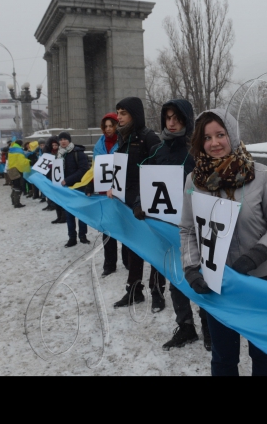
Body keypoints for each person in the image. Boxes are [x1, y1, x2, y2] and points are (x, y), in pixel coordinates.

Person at [181, 109, 267, 377]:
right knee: (223, 355)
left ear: (232, 135)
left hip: (261, 278)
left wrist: (258, 253)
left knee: (263, 352)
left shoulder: (261, 175)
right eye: (207, 137)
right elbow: (187, 230)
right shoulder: (193, 181)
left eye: (220, 135)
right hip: (217, 283)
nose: (214, 143)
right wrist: (191, 267)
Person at [141, 99, 211, 351]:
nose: (171, 122)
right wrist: (141, 203)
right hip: (167, 227)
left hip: (194, 226)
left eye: (176, 117)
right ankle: (185, 327)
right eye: (167, 117)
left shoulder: (197, 150)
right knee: (174, 276)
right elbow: (150, 186)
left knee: (200, 277)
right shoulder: (158, 151)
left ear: (186, 119)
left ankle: (209, 328)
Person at [111, 98, 161, 308]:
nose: (118, 117)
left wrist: (143, 199)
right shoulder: (122, 138)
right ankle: (134, 291)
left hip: (148, 205)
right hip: (127, 203)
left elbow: (158, 172)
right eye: (118, 113)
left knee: (156, 249)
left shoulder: (148, 138)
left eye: (123, 113)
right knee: (133, 249)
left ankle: (157, 292)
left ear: (134, 114)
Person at [89, 113, 130, 277]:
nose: (108, 129)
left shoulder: (124, 142)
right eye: (105, 126)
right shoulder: (99, 145)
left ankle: (128, 260)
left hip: (120, 192)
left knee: (124, 227)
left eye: (110, 125)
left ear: (116, 126)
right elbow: (95, 168)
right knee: (107, 230)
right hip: (103, 194)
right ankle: (109, 264)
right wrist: (91, 183)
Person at [57, 132, 91, 248]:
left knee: (81, 213)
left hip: (79, 187)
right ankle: (72, 237)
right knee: (69, 214)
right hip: (66, 189)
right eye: (61, 139)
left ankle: (83, 236)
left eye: (65, 139)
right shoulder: (59, 155)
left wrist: (67, 180)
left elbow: (83, 170)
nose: (63, 141)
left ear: (69, 140)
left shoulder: (78, 153)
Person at [7, 141, 31, 209]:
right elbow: (22, 161)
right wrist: (29, 161)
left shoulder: (11, 149)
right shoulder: (18, 151)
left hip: (11, 169)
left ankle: (13, 200)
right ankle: (17, 203)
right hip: (17, 169)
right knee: (18, 187)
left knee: (15, 186)